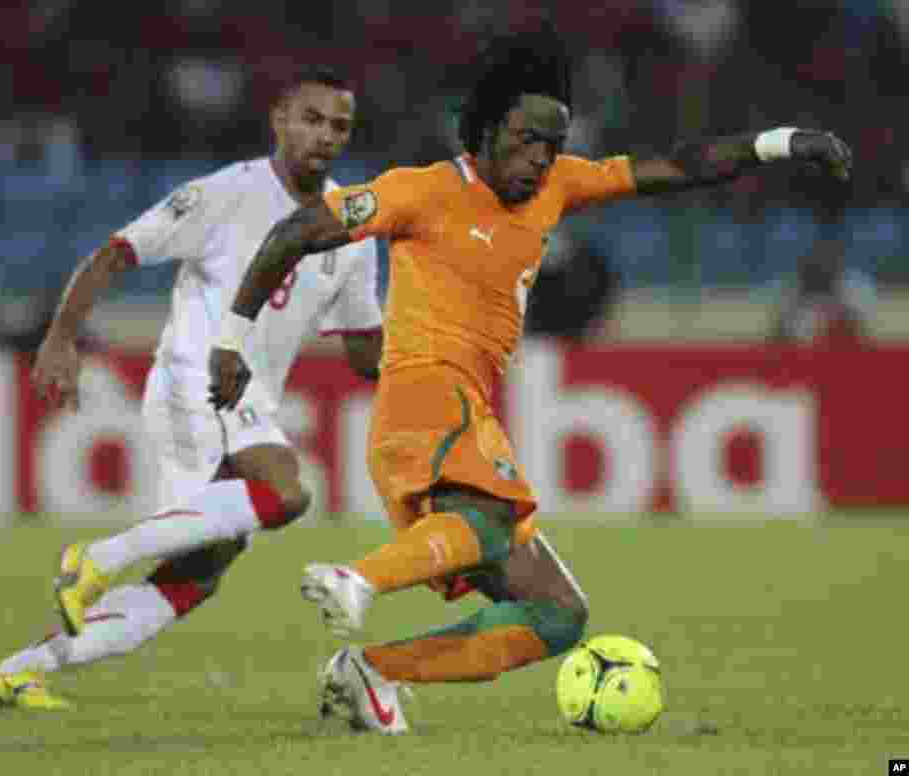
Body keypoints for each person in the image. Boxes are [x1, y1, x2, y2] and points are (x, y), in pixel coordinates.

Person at [210, 27, 852, 734]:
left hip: (468, 406)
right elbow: (292, 235)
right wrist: (232, 339)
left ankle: (373, 671)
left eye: (552, 144)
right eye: (524, 140)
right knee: (487, 523)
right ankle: (357, 580)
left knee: (556, 613)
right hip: (424, 390)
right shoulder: (418, 192)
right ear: (484, 131)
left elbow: (676, 165)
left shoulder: (558, 186)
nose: (540, 159)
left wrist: (780, 142)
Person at [0, 67, 384, 710]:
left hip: (250, 402)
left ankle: (22, 668)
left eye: (340, 126)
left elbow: (365, 348)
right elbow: (115, 252)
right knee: (284, 492)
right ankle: (97, 557)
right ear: (279, 119)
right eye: (311, 118)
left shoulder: (351, 229)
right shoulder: (225, 195)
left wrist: (436, 356)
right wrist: (60, 340)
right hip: (195, 381)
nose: (326, 135)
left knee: (196, 578)